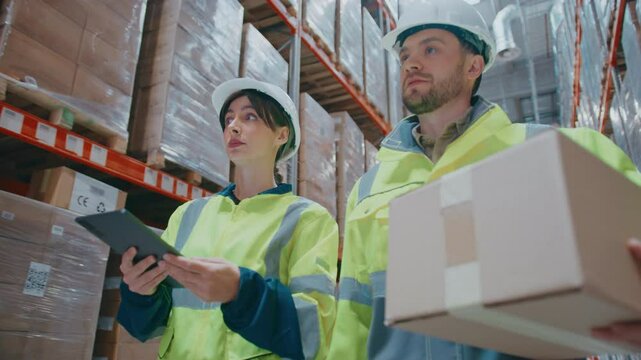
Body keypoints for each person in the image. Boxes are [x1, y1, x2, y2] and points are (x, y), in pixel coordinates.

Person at [328, 0, 641, 359]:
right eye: (404, 56)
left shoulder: (559, 152)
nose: (411, 63)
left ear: (474, 65)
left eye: (430, 48)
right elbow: (353, 315)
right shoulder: (368, 191)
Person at [116, 78, 339, 360]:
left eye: (250, 117)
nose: (233, 126)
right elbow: (150, 325)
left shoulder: (308, 220)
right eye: (229, 119)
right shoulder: (188, 215)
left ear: (282, 135)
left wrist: (240, 291)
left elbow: (315, 332)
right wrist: (140, 292)